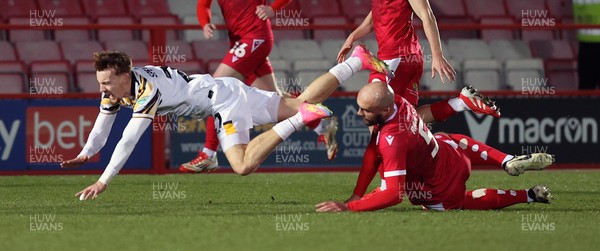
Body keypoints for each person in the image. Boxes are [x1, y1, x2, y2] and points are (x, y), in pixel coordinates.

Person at [58, 45, 392, 200]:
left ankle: (304, 119)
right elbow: (103, 127)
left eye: (105, 82)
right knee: (301, 101)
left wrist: (104, 181)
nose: (101, 88)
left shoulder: (145, 90)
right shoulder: (116, 91)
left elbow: (128, 139)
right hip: (227, 89)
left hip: (223, 101)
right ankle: (356, 60)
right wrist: (88, 153)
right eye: (100, 82)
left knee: (242, 165)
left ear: (124, 76)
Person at [315, 82, 555, 212]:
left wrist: (350, 206)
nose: (358, 113)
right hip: (452, 156)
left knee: (464, 202)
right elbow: (372, 150)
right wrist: (357, 192)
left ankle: (529, 195)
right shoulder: (397, 102)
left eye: (365, 110)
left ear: (385, 111)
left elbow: (393, 195)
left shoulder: (392, 140)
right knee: (445, 137)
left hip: (437, 189)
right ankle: (505, 160)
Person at [182, 0, 338, 172]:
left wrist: (273, 8)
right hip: (243, 41)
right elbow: (203, 4)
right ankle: (320, 124)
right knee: (274, 100)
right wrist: (205, 23)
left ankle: (208, 154)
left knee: (216, 89)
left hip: (254, 38)